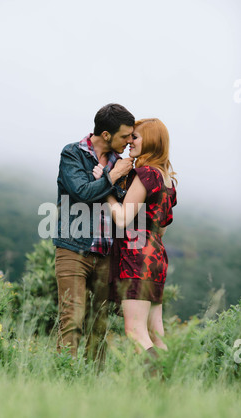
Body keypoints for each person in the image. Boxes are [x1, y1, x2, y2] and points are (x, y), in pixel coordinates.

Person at [53, 103, 135, 368]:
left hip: (106, 253)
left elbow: (125, 203)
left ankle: (93, 383)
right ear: (107, 134)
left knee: (99, 323)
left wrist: (115, 179)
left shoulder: (120, 162)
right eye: (124, 136)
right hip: (72, 249)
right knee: (72, 318)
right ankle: (64, 379)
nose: (129, 141)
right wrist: (113, 177)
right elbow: (82, 192)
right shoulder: (72, 153)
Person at [93, 118, 177, 357]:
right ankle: (171, 384)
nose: (130, 141)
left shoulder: (146, 174)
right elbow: (161, 229)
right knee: (156, 332)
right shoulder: (166, 178)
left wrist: (104, 187)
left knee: (135, 330)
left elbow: (122, 218)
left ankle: (157, 384)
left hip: (137, 258)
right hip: (157, 257)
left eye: (135, 137)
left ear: (149, 140)